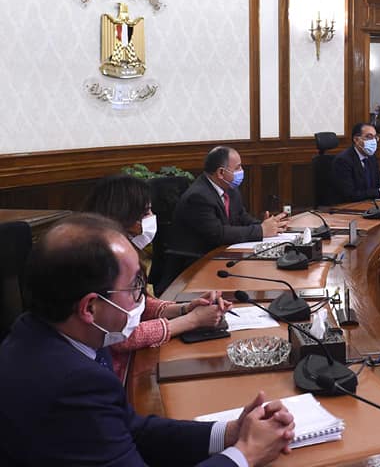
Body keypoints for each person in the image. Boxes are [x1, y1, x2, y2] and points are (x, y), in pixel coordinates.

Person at [0, 213, 295, 466]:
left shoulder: (56, 334)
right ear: (90, 308)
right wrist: (245, 455)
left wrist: (230, 433)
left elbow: (131, 429)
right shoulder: (72, 384)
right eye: (135, 287)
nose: (142, 298)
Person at [81, 174, 232, 382]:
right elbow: (122, 336)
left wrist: (185, 308)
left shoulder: (124, 250)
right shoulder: (100, 261)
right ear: (126, 217)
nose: (153, 217)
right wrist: (192, 321)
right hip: (114, 374)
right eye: (146, 212)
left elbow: (140, 303)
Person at [169, 146, 288, 256]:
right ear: (221, 172)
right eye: (237, 167)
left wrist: (265, 225)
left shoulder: (230, 189)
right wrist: (260, 231)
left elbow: (241, 217)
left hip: (222, 252)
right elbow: (218, 234)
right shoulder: (198, 196)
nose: (242, 171)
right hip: (197, 260)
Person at [332, 122, 380, 203]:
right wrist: (379, 192)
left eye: (375, 137)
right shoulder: (343, 160)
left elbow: (377, 184)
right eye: (369, 137)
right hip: (348, 206)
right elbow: (349, 194)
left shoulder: (371, 157)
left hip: (369, 204)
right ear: (356, 139)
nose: (373, 141)